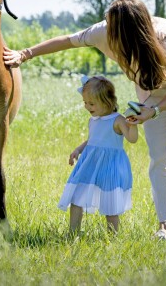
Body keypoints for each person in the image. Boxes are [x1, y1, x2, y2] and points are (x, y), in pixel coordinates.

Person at [3, 0, 166, 240]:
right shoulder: (103, 31)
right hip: (150, 89)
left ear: (131, 34)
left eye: (114, 31)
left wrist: (156, 110)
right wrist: (25, 54)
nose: (108, 35)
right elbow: (68, 41)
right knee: (160, 157)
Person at [57, 76, 138, 233]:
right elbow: (91, 140)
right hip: (90, 163)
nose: (87, 107)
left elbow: (132, 139)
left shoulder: (118, 120)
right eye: (85, 103)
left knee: (110, 204)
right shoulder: (93, 120)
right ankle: (73, 233)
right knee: (77, 197)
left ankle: (112, 235)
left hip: (110, 166)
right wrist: (78, 150)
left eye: (91, 103)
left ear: (107, 102)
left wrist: (132, 125)